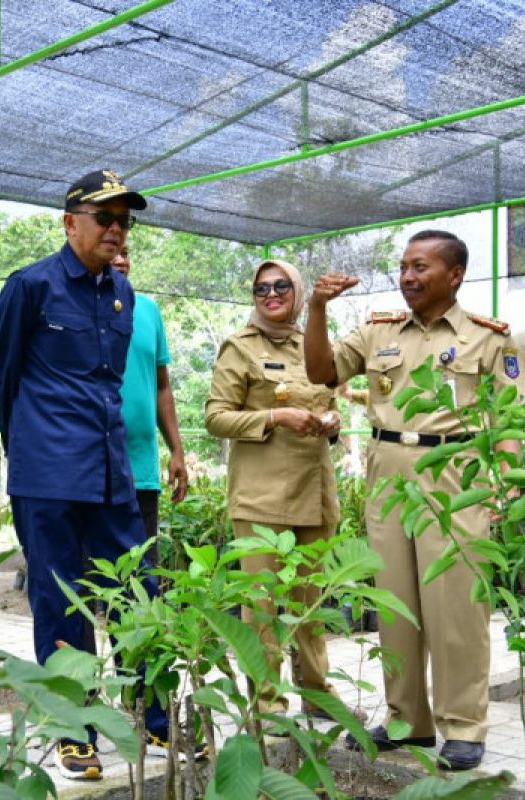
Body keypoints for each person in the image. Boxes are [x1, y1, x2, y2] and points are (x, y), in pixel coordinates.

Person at [0, 169, 198, 781]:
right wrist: (29, 444)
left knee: (139, 592)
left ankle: (157, 715)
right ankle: (74, 727)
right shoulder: (30, 287)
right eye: (105, 217)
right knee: (60, 599)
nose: (116, 229)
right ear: (70, 221)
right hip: (48, 478)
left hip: (113, 474)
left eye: (124, 220)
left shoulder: (122, 296)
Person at [304, 230, 525, 772]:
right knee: (394, 603)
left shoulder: (489, 339)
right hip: (387, 473)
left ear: (455, 274)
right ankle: (407, 719)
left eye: (420, 267)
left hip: (455, 474)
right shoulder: (378, 330)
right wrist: (315, 308)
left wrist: (506, 481)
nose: (407, 276)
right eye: (404, 266)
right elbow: (320, 372)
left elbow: (510, 421)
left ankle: (463, 724)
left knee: (455, 604)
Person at [205, 258, 359, 729]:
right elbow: (215, 417)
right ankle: (268, 701)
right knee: (263, 604)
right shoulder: (240, 347)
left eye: (280, 287)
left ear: (295, 291)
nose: (270, 294)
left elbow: (330, 400)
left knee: (310, 601)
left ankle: (317, 692)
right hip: (262, 498)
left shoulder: (311, 344)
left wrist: (333, 422)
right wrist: (272, 418)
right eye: (260, 288)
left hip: (315, 493)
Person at [110, 244, 188, 538]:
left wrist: (177, 451)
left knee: (144, 572)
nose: (120, 260)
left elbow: (162, 387)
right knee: (93, 574)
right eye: (112, 252)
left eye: (126, 253)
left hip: (141, 471)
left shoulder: (148, 310)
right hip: (91, 471)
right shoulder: (77, 308)